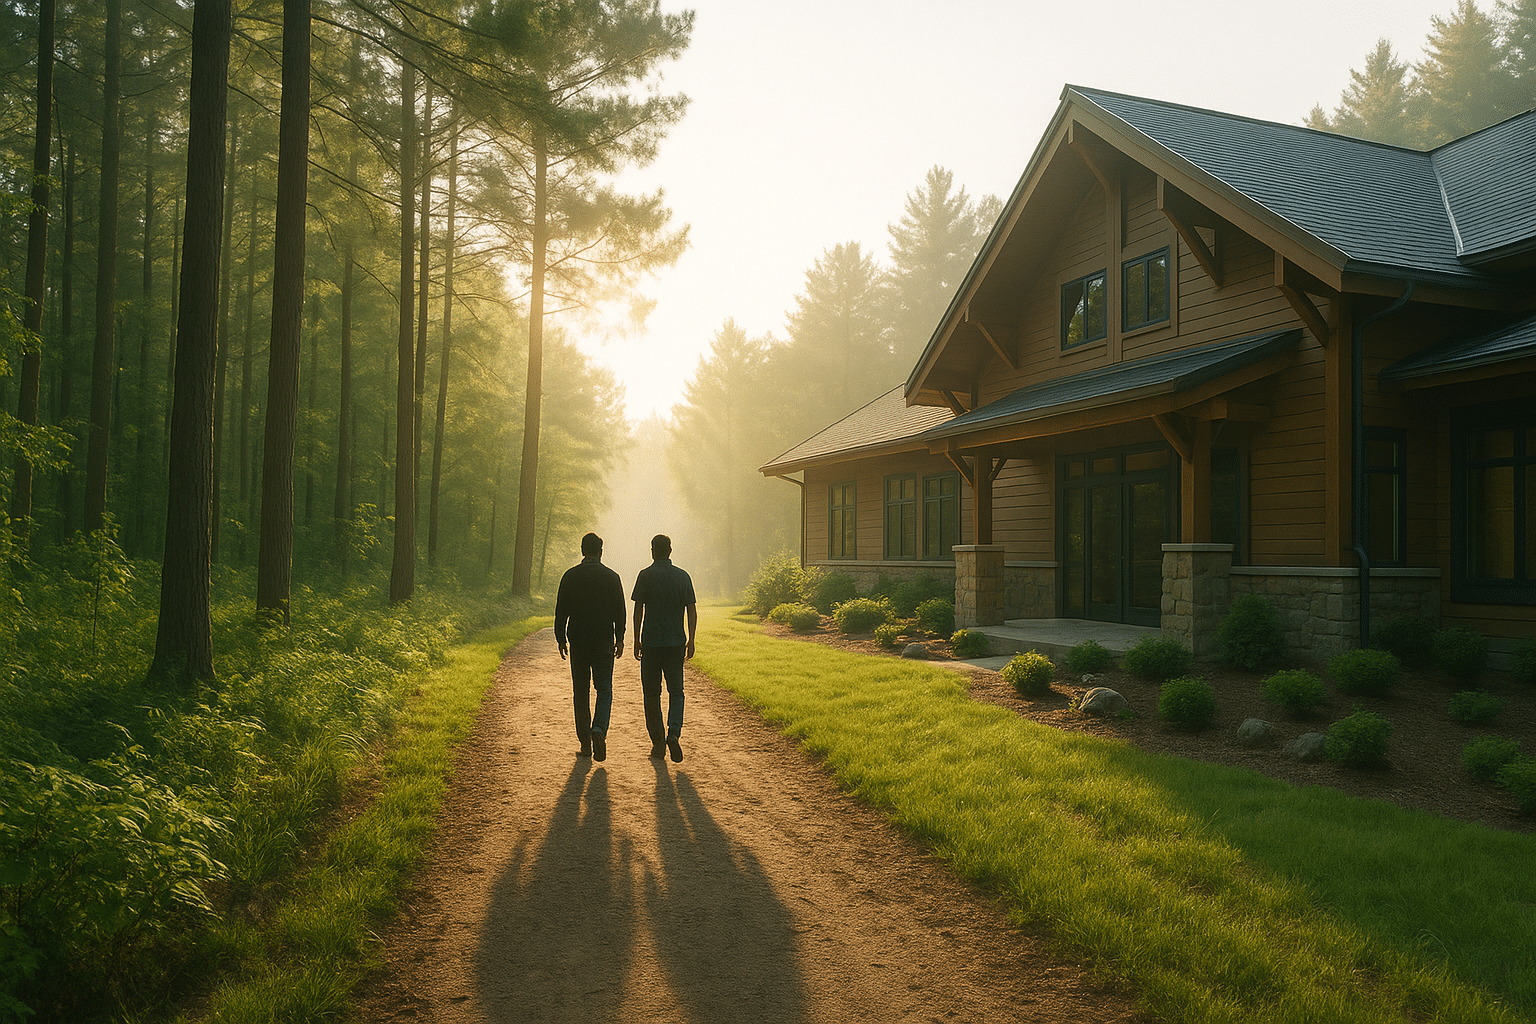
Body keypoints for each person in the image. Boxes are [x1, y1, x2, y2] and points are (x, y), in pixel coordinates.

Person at [554, 532, 626, 762]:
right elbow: (620, 612)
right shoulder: (612, 577)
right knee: (604, 689)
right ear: (600, 551)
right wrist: (620, 637)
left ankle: (585, 742)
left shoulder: (570, 576)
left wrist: (560, 638)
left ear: (582, 550)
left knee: (581, 691)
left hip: (579, 641)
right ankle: (599, 729)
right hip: (604, 640)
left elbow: (561, 610)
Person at [631, 534, 697, 763]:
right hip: (675, 643)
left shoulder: (645, 575)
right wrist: (692, 639)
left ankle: (658, 741)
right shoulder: (682, 576)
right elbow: (691, 609)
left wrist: (637, 639)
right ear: (670, 550)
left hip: (651, 643)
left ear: (652, 551)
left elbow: (638, 608)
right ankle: (674, 733)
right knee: (676, 692)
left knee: (651, 694)